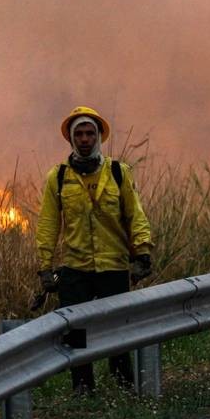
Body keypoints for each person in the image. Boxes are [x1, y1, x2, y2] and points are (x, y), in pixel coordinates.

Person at [35, 106, 154, 393]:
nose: (85, 139)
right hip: (75, 267)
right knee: (75, 329)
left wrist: (143, 253)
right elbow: (49, 224)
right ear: (71, 139)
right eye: (80, 134)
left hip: (113, 265)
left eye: (90, 133)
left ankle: (124, 382)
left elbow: (135, 216)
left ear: (99, 136)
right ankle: (83, 385)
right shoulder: (58, 177)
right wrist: (45, 267)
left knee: (118, 327)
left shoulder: (118, 172)